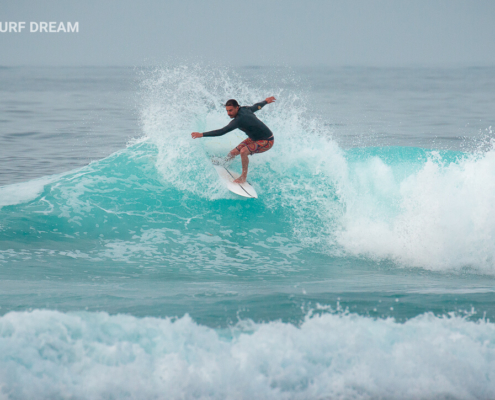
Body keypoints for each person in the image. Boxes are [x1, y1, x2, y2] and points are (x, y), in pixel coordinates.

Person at [191, 97, 276, 184]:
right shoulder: (245, 109)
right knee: (232, 153)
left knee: (243, 151)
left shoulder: (239, 120)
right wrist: (265, 101)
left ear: (237, 108)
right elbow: (256, 106)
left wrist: (202, 134)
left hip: (267, 140)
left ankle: (243, 177)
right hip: (253, 139)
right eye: (227, 111)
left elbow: (222, 131)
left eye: (231, 110)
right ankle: (224, 163)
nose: (228, 113)